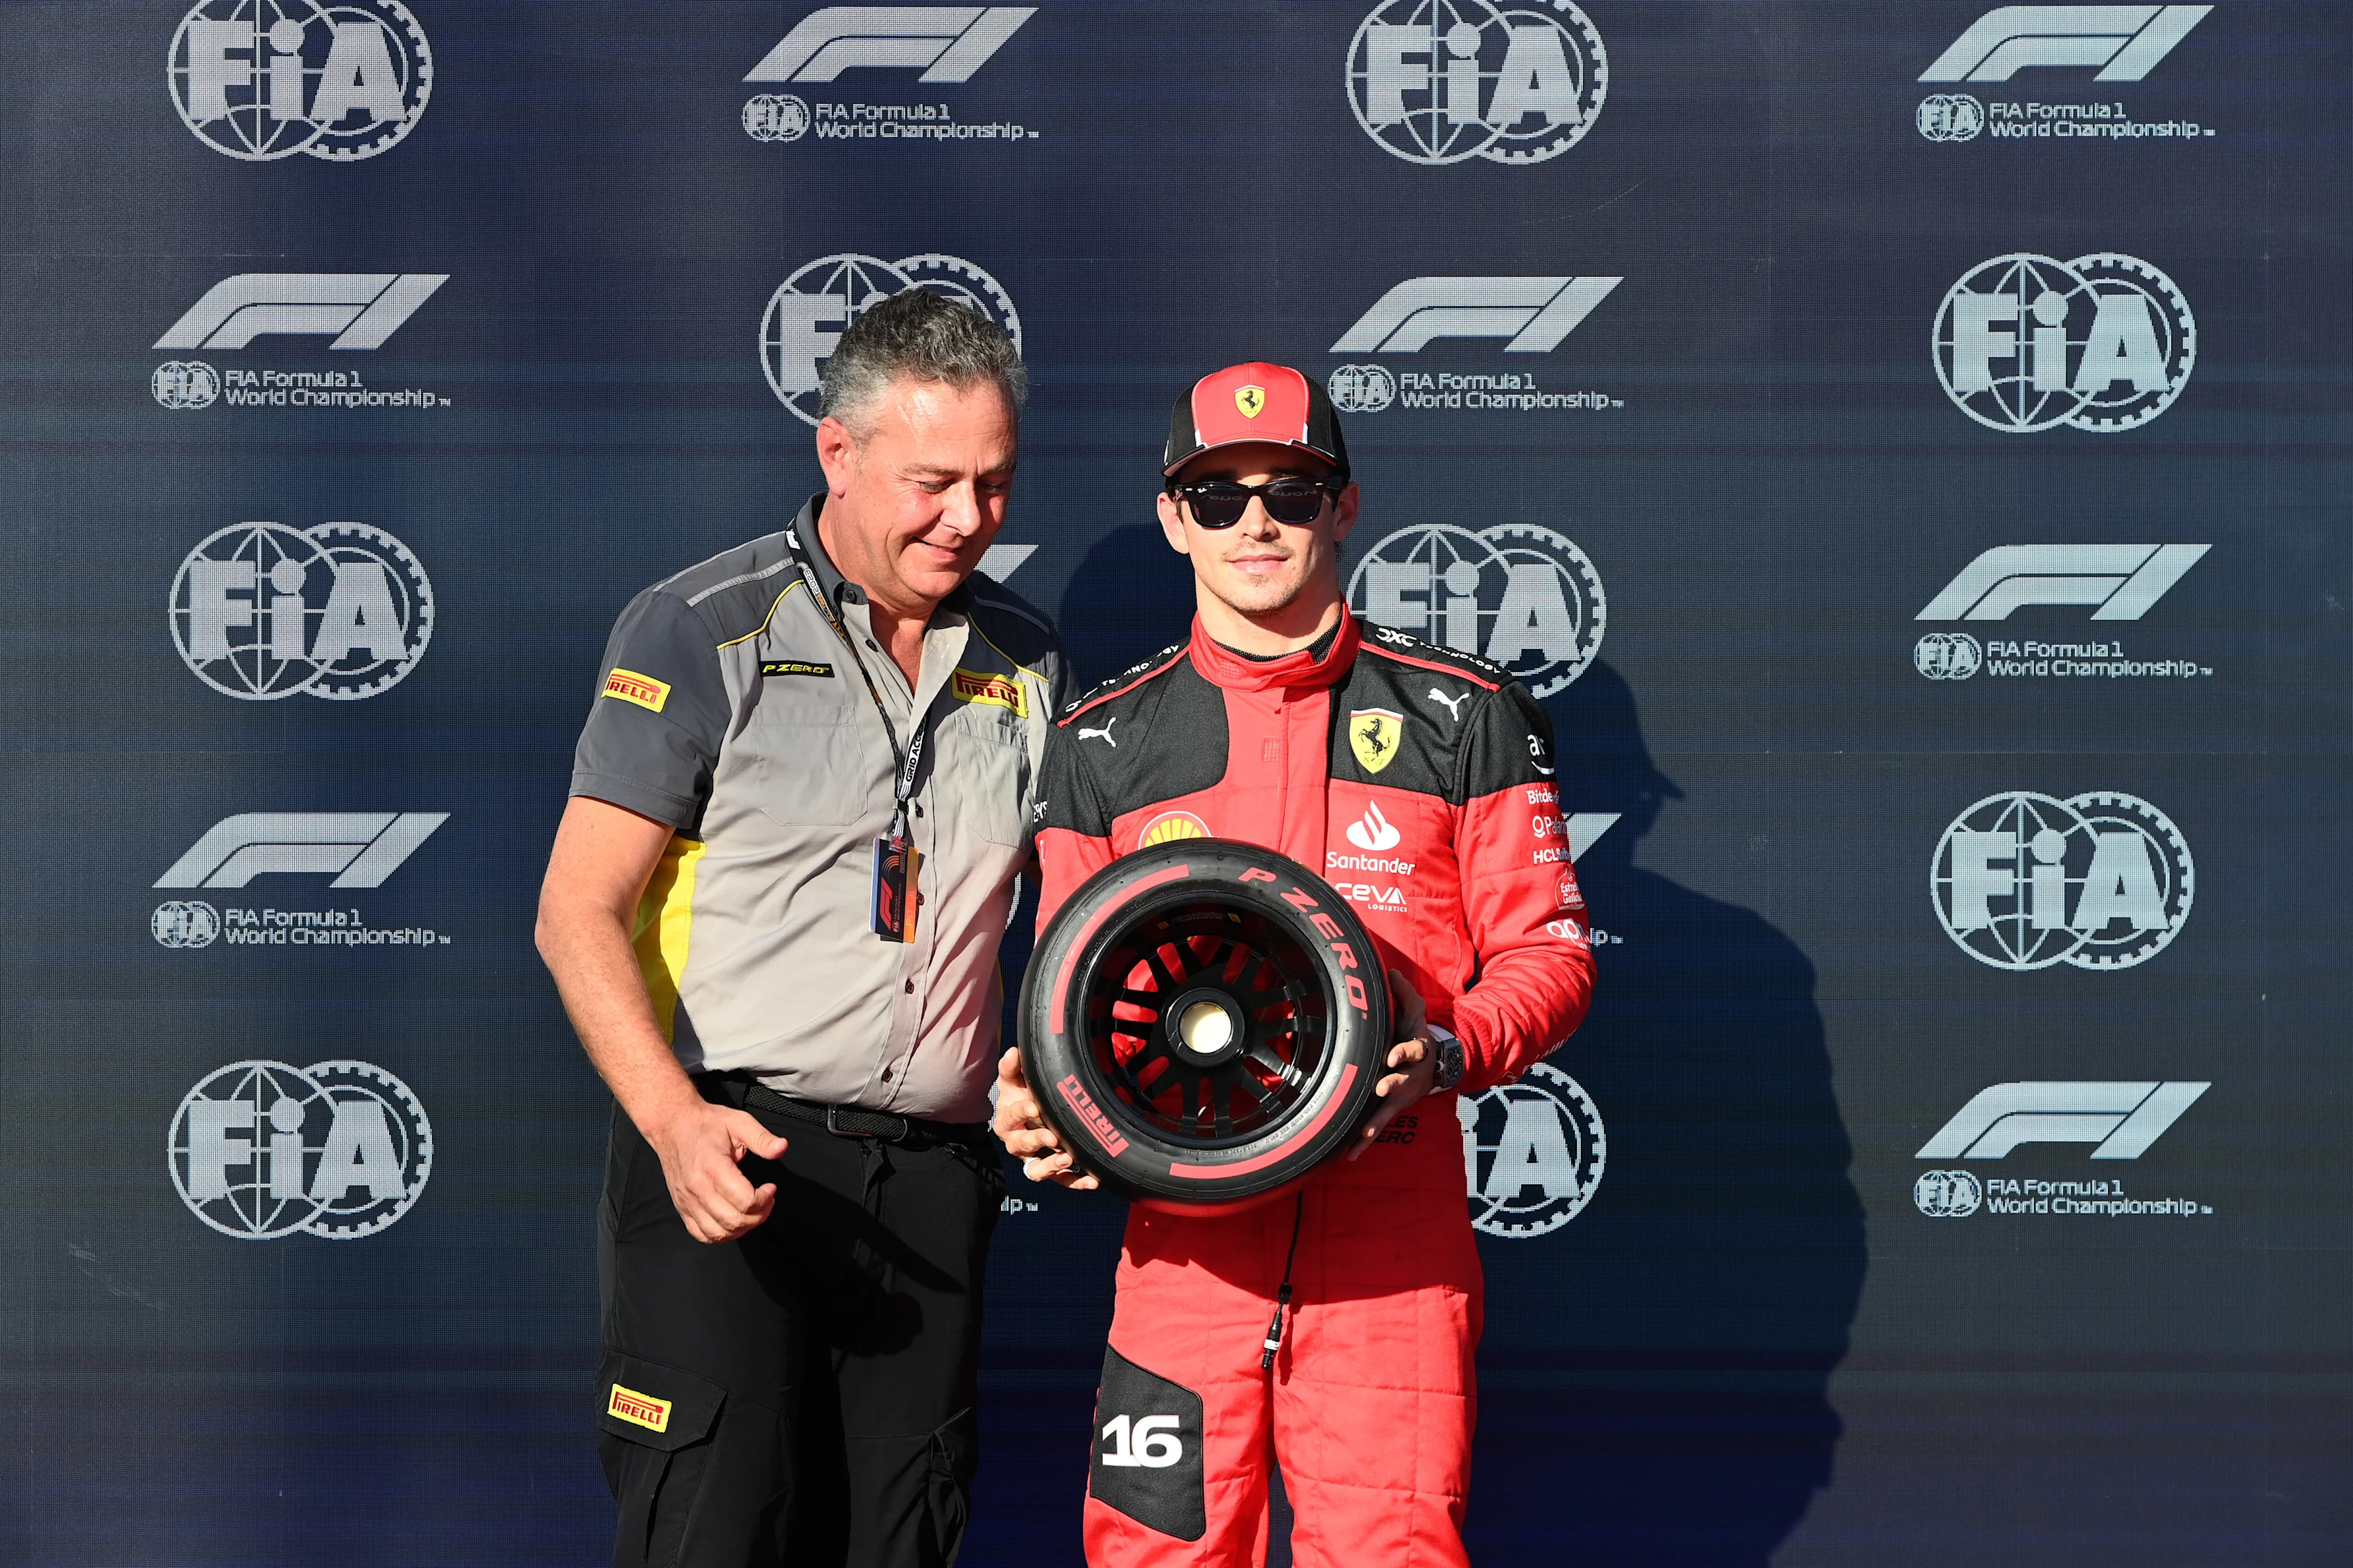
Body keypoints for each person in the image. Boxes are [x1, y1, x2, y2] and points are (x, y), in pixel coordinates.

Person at [993, 363, 1595, 1567]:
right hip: (1185, 1244)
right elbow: (1072, 1001)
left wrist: (1450, 1053)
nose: (1254, 522)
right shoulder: (1100, 742)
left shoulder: (1462, 712)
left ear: (1345, 505)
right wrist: (1039, 1100)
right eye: (1215, 498)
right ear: (1174, 518)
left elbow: (1548, 951)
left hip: (1392, 1242)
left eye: (1290, 490)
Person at [536, 288, 1071, 1568]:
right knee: (712, 1531)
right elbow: (576, 912)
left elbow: (1051, 912)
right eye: (933, 482)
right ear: (838, 454)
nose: (969, 520)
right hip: (737, 1158)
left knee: (902, 1540)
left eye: (995, 484)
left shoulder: (1030, 651)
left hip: (938, 1185)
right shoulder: (703, 624)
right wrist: (673, 1125)